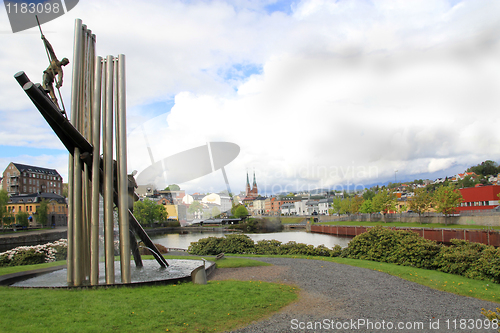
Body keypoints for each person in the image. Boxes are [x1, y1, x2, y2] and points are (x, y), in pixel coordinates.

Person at [42, 36, 69, 111]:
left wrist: (59, 84)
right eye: (65, 63)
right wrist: (45, 40)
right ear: (63, 61)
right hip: (47, 75)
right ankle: (44, 88)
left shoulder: (60, 70)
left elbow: (60, 78)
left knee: (53, 97)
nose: (64, 65)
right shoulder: (54, 60)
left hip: (51, 81)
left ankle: (58, 109)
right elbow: (50, 49)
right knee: (45, 82)